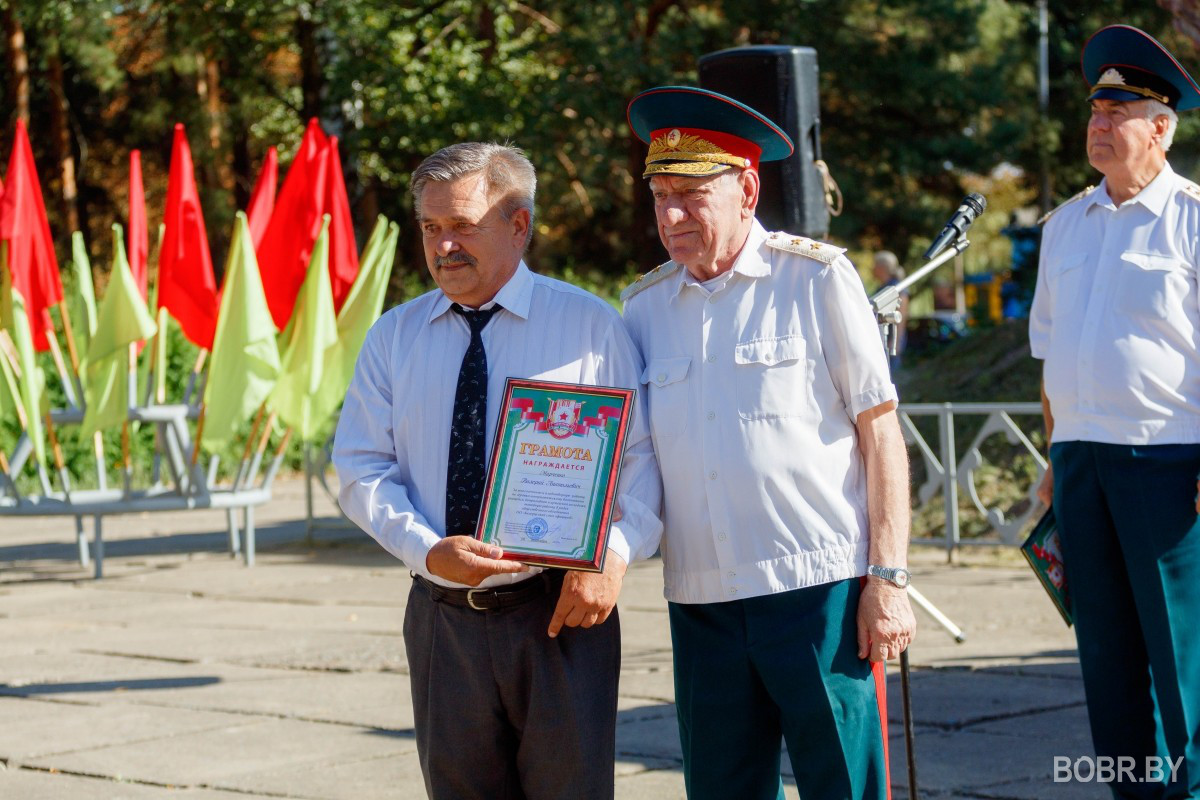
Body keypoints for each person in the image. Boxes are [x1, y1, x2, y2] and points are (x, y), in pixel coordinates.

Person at [333, 142, 662, 800]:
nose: (443, 247)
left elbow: (643, 464)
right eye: (431, 228)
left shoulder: (590, 328)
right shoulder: (394, 336)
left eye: (461, 226)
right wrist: (428, 551)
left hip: (560, 614)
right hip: (441, 618)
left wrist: (614, 556)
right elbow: (360, 468)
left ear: (519, 225)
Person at [620, 86, 915, 800]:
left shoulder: (814, 278)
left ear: (747, 188)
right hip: (703, 600)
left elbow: (880, 434)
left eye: (692, 194)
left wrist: (889, 579)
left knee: (843, 785)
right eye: (660, 195)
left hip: (818, 594)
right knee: (721, 789)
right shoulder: (644, 307)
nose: (672, 215)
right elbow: (631, 457)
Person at [1030, 25, 1200, 797]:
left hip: (1169, 464)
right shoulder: (1065, 225)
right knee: (1105, 660)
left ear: (1160, 127)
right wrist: (1052, 463)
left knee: (1181, 659)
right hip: (1081, 464)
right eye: (1094, 113)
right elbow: (1051, 360)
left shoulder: (1194, 221)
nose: (1097, 126)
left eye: (1117, 113)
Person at [873, 249, 908, 371]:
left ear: (882, 267)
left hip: (891, 342)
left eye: (875, 265)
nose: (872, 268)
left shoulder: (896, 286)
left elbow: (901, 315)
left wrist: (896, 342)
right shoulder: (882, 287)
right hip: (882, 341)